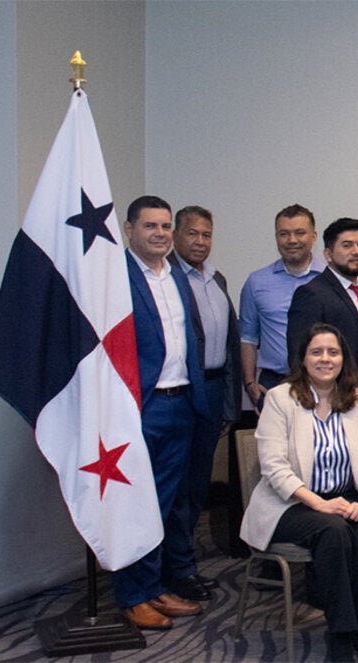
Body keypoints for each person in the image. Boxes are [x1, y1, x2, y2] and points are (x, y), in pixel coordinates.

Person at [240, 323, 358, 663]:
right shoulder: (281, 398)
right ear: (303, 359)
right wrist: (320, 504)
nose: (326, 359)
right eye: (317, 352)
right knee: (332, 530)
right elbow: (274, 468)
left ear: (343, 358)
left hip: (346, 496)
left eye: (333, 352)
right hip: (290, 503)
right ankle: (341, 633)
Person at [117, 196, 211, 630]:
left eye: (165, 226)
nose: (160, 233)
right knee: (134, 502)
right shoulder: (116, 276)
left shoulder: (175, 274)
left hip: (182, 403)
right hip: (142, 407)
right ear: (129, 229)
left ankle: (154, 587)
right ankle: (131, 594)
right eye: (150, 226)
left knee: (165, 503)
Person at [163, 205, 240, 602]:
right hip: (182, 391)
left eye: (206, 235)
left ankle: (182, 563)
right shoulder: (166, 278)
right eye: (192, 234)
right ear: (176, 235)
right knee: (176, 486)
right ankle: (177, 568)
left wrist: (229, 404)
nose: (200, 242)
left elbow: (227, 345)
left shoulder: (216, 278)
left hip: (212, 390)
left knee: (196, 485)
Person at [287, 217, 358, 414]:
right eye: (347, 245)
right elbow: (299, 357)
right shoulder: (311, 294)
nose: (356, 251)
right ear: (328, 254)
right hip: (333, 405)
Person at [240, 204, 325, 409]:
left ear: (313, 237)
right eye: (284, 234)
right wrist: (250, 382)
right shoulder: (257, 282)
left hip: (323, 382)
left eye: (299, 233)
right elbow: (248, 337)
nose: (292, 240)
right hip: (273, 383)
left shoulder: (330, 279)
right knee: (274, 442)